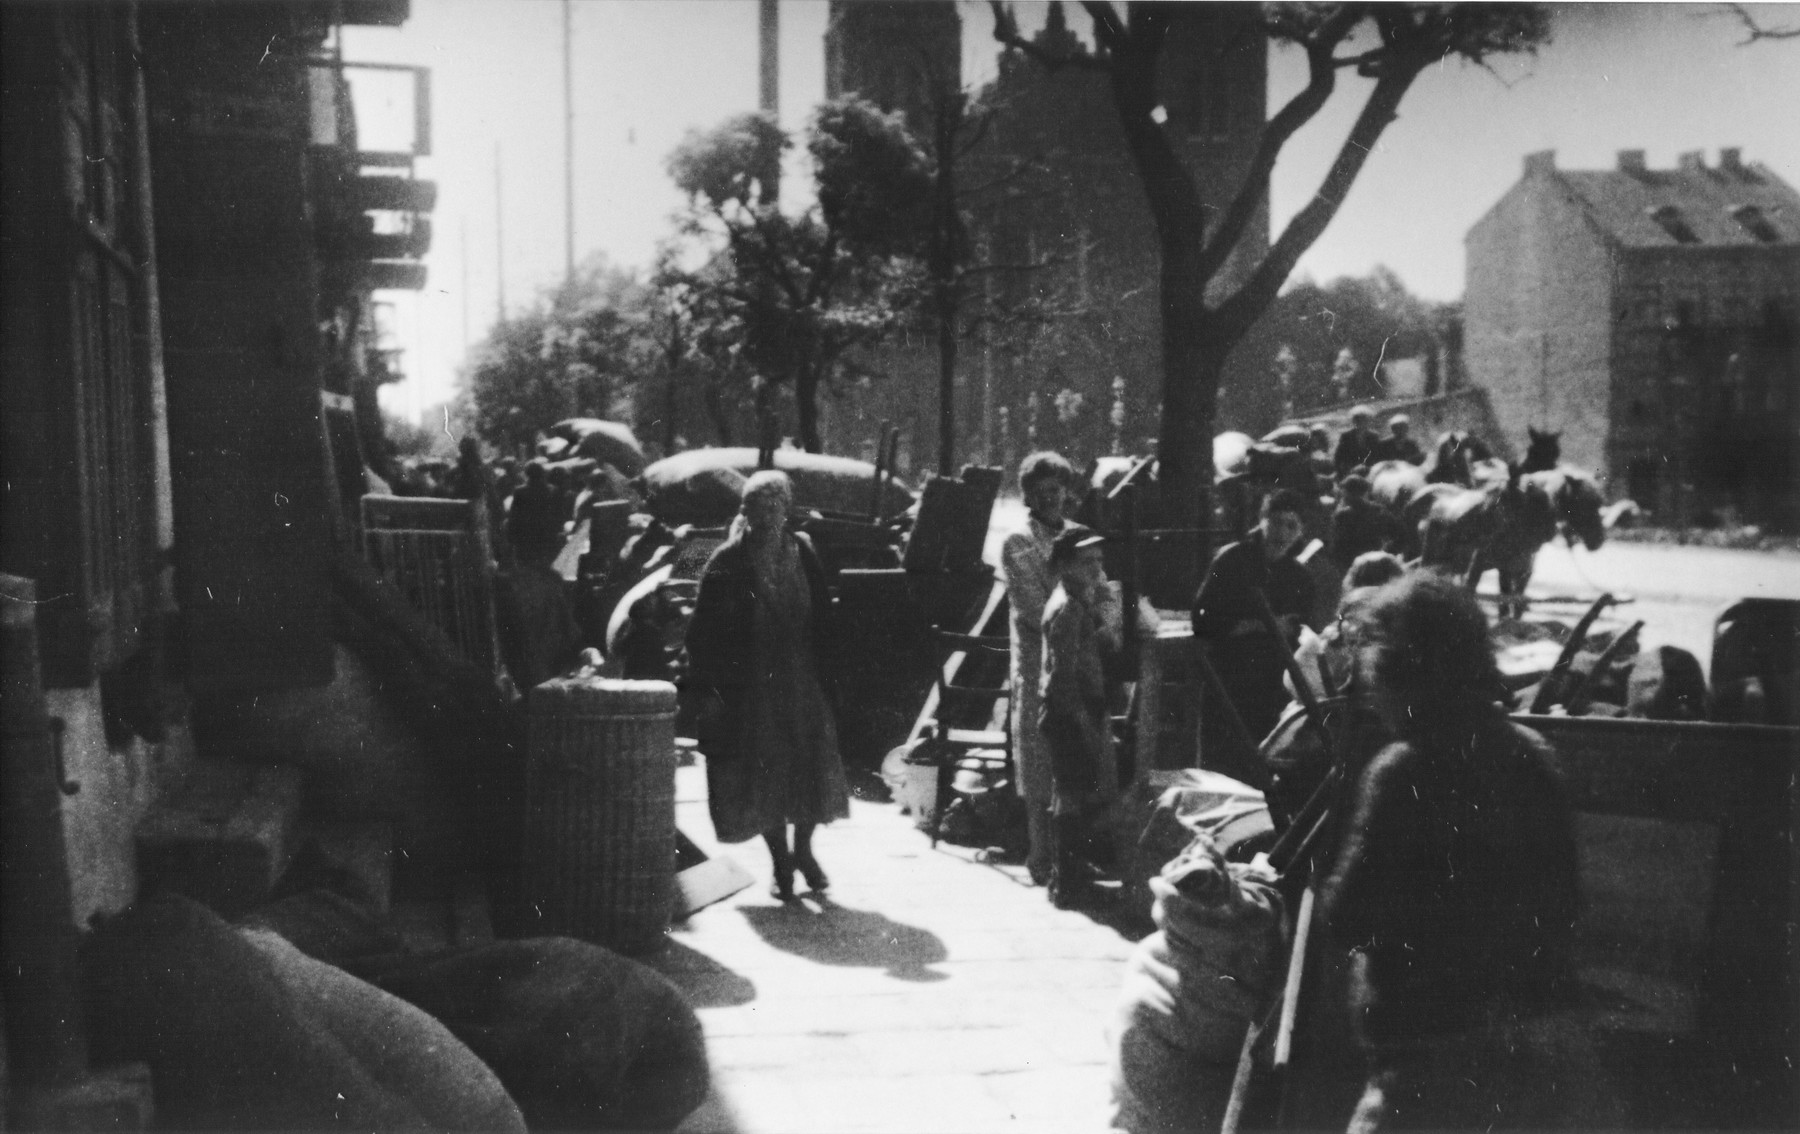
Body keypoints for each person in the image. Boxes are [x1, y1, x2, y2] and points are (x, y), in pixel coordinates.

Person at [1322, 572, 1597, 1131]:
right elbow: (1564, 901)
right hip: (1522, 1054)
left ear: (1405, 671)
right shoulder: (1531, 754)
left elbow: (1350, 916)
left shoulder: (1404, 771)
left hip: (1423, 1067)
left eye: (1376, 671)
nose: (1370, 691)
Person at [685, 471, 850, 901]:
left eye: (776, 507)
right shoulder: (727, 560)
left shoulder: (803, 551)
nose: (768, 517)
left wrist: (832, 673)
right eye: (758, 509)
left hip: (802, 680)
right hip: (752, 687)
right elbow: (702, 633)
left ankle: (805, 851)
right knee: (766, 775)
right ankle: (780, 862)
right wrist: (713, 689)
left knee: (811, 766)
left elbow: (827, 618)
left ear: (786, 510)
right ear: (747, 513)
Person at [1192, 489, 1317, 782]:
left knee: (1263, 767)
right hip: (1229, 679)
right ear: (1262, 521)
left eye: (1292, 525)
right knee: (1222, 768)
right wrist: (1259, 625)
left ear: (1301, 532)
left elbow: (1300, 630)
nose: (1282, 533)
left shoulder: (1300, 577)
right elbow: (1202, 619)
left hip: (1272, 686)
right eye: (1276, 522)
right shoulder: (1233, 560)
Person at [1000, 451, 1079, 886]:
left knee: (1075, 758)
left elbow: (1102, 587)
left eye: (1059, 488)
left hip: (1079, 660)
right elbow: (1034, 609)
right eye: (1043, 490)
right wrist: (1076, 602)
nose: (1053, 497)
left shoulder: (1079, 535)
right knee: (1038, 758)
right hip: (1037, 663)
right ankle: (1039, 852)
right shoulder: (1018, 541)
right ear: (1028, 494)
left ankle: (1069, 853)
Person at [1039, 525, 1123, 909]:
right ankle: (1065, 881)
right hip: (1069, 711)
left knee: (1073, 791)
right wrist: (1081, 722)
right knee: (1070, 796)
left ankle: (1068, 877)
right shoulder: (1069, 608)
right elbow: (1062, 676)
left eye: (1099, 561)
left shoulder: (1078, 601)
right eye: (1086, 561)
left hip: (1077, 707)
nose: (1095, 568)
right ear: (1065, 565)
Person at [1329, 474, 1404, 571]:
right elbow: (1399, 535)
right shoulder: (1378, 510)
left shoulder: (1342, 516)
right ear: (1365, 492)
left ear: (1347, 493)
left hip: (1354, 566)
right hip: (1377, 562)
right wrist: (1387, 552)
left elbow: (1336, 548)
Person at [506, 461, 566, 566]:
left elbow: (514, 516)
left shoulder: (520, 491)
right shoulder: (552, 490)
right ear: (542, 473)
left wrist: (512, 537)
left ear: (527, 474)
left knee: (529, 568)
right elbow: (559, 514)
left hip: (527, 536)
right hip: (547, 535)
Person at [1333, 406, 1381, 479]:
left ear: (1368, 421)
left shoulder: (1374, 436)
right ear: (1353, 421)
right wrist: (1349, 469)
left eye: (1364, 419)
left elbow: (1377, 456)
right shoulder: (1346, 436)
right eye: (1357, 420)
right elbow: (1338, 457)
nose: (1360, 422)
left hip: (1370, 470)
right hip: (1350, 471)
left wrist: (1367, 467)